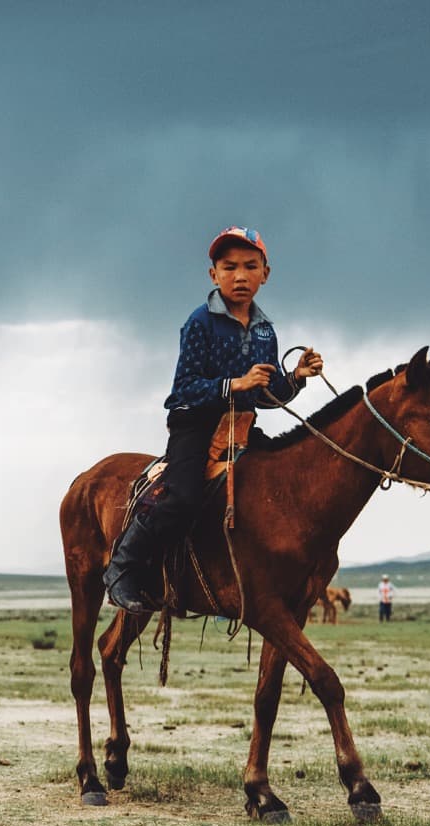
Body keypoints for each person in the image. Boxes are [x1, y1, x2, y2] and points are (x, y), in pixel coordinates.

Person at [104, 226, 324, 613]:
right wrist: (235, 384)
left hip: (242, 428)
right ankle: (123, 568)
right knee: (182, 497)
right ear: (214, 275)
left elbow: (265, 396)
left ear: (265, 274)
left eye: (250, 267)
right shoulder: (200, 323)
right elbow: (182, 388)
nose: (240, 276)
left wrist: (296, 380)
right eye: (230, 267)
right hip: (194, 425)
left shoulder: (264, 332)